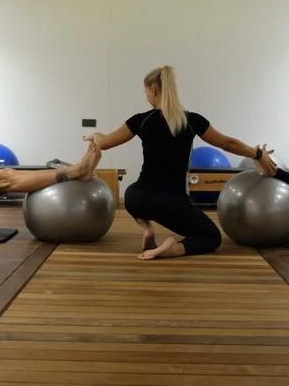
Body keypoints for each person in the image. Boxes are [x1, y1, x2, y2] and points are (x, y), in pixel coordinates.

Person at [85, 65, 275, 260]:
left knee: (131, 193)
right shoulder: (192, 121)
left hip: (138, 198)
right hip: (172, 203)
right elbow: (228, 143)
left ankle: (147, 229)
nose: (146, 97)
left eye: (146, 92)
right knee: (211, 237)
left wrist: (95, 135)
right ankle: (174, 248)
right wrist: (258, 154)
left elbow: (104, 143)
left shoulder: (141, 120)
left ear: (154, 90)